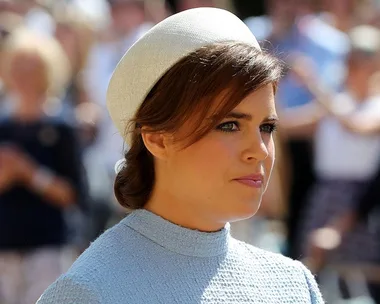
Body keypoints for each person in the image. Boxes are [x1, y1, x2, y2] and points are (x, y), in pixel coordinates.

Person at [37, 8, 324, 303]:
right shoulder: (89, 291)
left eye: (267, 126)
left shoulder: (292, 284)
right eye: (229, 125)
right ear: (157, 139)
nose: (260, 150)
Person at [0, 28, 88, 304]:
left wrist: (29, 172)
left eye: (32, 67)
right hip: (5, 246)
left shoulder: (61, 127)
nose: (24, 75)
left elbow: (73, 194)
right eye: (18, 66)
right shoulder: (3, 127)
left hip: (48, 247)